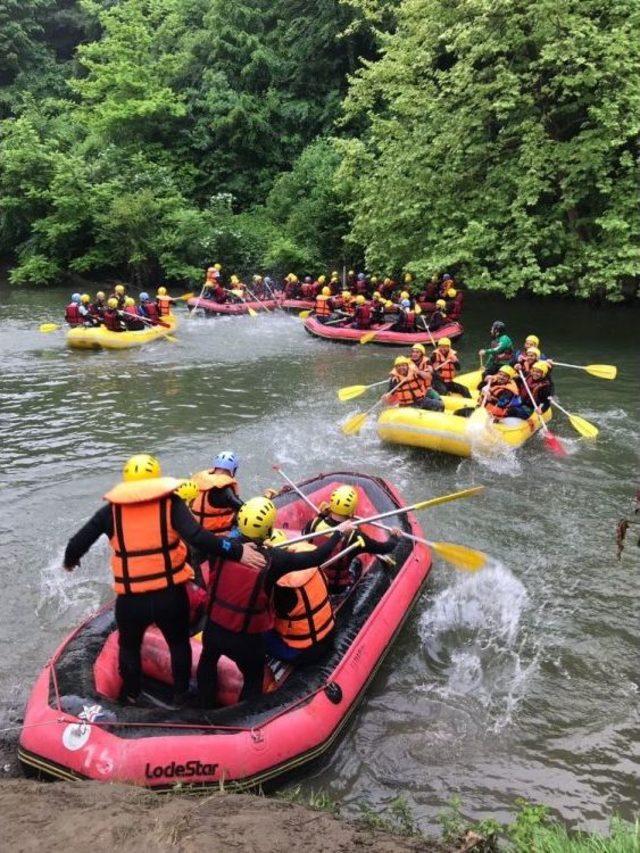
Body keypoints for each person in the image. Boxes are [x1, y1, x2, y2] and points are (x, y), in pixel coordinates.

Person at [63, 454, 265, 705]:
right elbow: (199, 537)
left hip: (131, 601)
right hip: (168, 596)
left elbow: (76, 544)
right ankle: (181, 694)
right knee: (178, 645)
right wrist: (238, 551)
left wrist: (70, 561)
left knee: (129, 647)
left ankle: (132, 695)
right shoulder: (170, 504)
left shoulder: (110, 512)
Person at [196, 497, 351, 705]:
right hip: (245, 639)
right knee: (253, 678)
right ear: (268, 531)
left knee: (207, 662)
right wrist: (338, 533)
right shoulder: (274, 560)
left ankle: (204, 703)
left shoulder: (222, 548)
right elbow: (315, 558)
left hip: (213, 629)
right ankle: (243, 718)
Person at [302, 485, 401, 594]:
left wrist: (321, 515)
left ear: (331, 505)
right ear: (352, 512)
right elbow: (384, 548)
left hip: (313, 581)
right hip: (336, 589)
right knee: (357, 564)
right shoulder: (355, 537)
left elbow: (307, 539)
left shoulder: (313, 523)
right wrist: (394, 537)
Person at [263, 530, 335, 664]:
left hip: (302, 651)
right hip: (329, 635)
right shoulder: (313, 565)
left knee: (258, 633)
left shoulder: (280, 586)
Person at [191, 452, 243, 535]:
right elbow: (244, 509)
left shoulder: (201, 481)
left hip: (197, 533)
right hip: (218, 537)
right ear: (234, 469)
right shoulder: (223, 490)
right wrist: (266, 498)